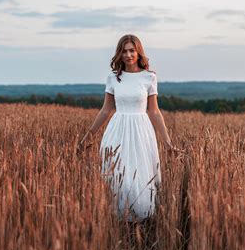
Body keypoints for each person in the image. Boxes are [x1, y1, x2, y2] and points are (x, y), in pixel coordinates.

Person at [77, 34, 182, 222]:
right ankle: (117, 221)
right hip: (117, 130)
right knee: (118, 175)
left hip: (141, 131)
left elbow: (155, 112)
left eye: (132, 50)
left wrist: (168, 143)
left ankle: (141, 223)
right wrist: (88, 136)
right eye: (124, 51)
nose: (128, 54)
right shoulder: (113, 78)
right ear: (119, 54)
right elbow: (105, 110)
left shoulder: (149, 77)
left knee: (141, 176)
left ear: (138, 52)